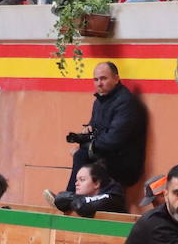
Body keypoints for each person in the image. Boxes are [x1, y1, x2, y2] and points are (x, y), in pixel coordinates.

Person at [62, 62, 147, 192]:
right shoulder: (100, 101)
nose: (99, 83)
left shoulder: (125, 102)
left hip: (125, 163)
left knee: (81, 155)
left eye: (103, 78)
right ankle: (75, 199)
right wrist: (88, 131)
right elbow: (96, 131)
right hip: (108, 156)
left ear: (116, 79)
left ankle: (70, 197)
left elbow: (113, 140)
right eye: (96, 79)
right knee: (82, 154)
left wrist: (86, 147)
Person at [43, 161, 126, 218]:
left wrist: (70, 199)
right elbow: (61, 200)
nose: (76, 183)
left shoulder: (113, 197)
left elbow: (81, 206)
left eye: (82, 180)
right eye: (76, 180)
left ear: (96, 183)